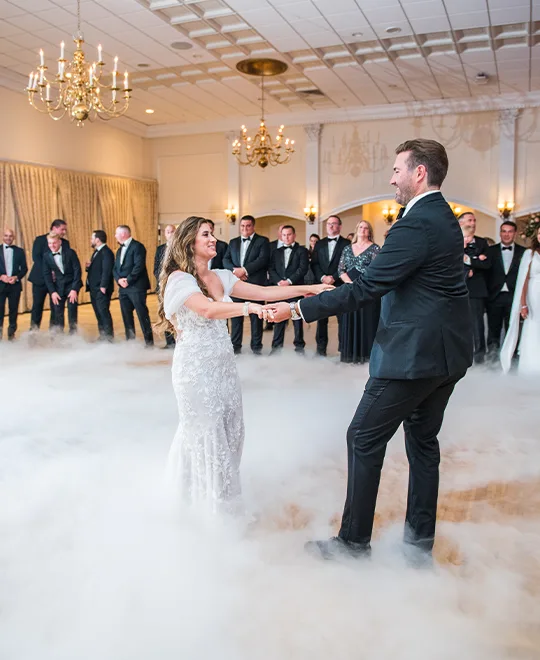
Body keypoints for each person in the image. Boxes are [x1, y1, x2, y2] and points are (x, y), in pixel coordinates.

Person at [266, 139, 473, 564]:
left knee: (362, 437)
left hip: (413, 355)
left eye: (398, 169)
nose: (392, 177)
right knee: (423, 442)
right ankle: (418, 547)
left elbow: (368, 289)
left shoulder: (416, 223)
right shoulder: (443, 217)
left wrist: (299, 309)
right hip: (446, 354)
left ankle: (353, 544)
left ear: (419, 173)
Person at [156, 216, 331, 513]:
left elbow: (264, 291)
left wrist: (309, 288)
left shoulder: (220, 276)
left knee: (231, 431)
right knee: (205, 433)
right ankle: (208, 508)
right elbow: (209, 309)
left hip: (223, 368)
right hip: (195, 371)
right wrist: (252, 310)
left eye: (212, 234)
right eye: (206, 235)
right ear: (189, 242)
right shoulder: (178, 279)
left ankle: (216, 496)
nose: (213, 239)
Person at [223, 215, 270, 355]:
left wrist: (244, 270)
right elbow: (226, 259)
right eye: (242, 226)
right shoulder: (233, 242)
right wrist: (235, 271)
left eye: (248, 226)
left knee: (257, 318)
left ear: (253, 226)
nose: (245, 228)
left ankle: (256, 347)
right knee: (236, 317)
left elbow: (262, 260)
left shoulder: (262, 241)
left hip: (255, 285)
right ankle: (235, 347)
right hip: (236, 286)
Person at [338, 221, 381, 364]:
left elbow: (376, 270)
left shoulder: (375, 248)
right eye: (360, 227)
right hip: (350, 289)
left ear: (369, 231)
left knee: (367, 322)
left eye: (366, 228)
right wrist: (350, 284)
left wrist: (361, 285)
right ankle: (350, 355)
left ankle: (367, 356)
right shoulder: (347, 249)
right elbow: (341, 270)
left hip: (366, 290)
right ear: (356, 230)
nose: (363, 229)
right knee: (349, 320)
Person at [501, 224, 540, 374]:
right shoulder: (530, 253)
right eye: (539, 234)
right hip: (534, 294)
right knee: (533, 325)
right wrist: (523, 304)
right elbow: (523, 280)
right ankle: (532, 365)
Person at [310, 216, 350, 356]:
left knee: (342, 320)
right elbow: (314, 263)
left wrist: (333, 277)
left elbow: (347, 265)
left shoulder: (347, 243)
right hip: (322, 285)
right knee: (321, 320)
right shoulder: (319, 244)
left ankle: (344, 349)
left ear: (340, 226)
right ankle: (321, 350)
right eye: (329, 224)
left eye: (334, 224)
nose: (331, 227)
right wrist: (322, 277)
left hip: (339, 285)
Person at [486, 220, 525, 359]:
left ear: (514, 234)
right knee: (493, 331)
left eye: (509, 231)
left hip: (514, 297)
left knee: (513, 330)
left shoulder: (524, 252)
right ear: (500, 233)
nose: (506, 234)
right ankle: (492, 360)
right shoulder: (490, 251)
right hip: (494, 297)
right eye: (504, 231)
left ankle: (511, 359)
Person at [267, 225, 309, 354]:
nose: (286, 237)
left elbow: (303, 269)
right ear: (281, 236)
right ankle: (276, 347)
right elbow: (271, 269)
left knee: (296, 318)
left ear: (294, 235)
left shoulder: (302, 250)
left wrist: (289, 281)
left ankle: (299, 347)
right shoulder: (276, 252)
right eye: (284, 235)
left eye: (289, 234)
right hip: (280, 290)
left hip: (295, 288)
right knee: (278, 318)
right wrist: (279, 282)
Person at [458, 212, 491, 364]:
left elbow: (487, 264)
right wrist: (470, 265)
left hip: (476, 290)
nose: (473, 223)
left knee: (477, 325)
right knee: (458, 324)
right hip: (457, 289)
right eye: (469, 220)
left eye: (474, 220)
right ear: (461, 223)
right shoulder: (453, 241)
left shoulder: (482, 242)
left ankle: (479, 357)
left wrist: (471, 261)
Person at [113, 225, 154, 347]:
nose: (115, 236)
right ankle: (130, 342)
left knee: (142, 315)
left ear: (123, 234)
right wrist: (119, 280)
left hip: (136, 287)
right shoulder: (119, 250)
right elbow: (115, 268)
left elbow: (139, 266)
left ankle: (149, 343)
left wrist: (128, 280)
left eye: (116, 233)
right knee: (126, 315)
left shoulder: (138, 247)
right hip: (123, 288)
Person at [28, 219, 69, 330]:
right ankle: (33, 333)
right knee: (37, 306)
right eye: (62, 229)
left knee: (56, 307)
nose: (64, 232)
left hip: (56, 281)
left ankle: (54, 333)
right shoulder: (40, 240)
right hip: (40, 279)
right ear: (54, 228)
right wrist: (49, 271)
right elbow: (36, 258)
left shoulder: (65, 243)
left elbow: (66, 260)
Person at [42, 233, 82, 333]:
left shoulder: (70, 253)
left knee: (72, 312)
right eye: (50, 243)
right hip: (58, 287)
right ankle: (60, 338)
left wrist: (74, 289)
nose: (52, 245)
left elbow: (77, 271)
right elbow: (47, 276)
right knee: (58, 313)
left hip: (71, 285)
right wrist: (52, 292)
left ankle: (73, 336)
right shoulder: (46, 256)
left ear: (60, 242)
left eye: (54, 243)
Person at [86, 230, 115, 341]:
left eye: (92, 238)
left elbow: (107, 270)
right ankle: (103, 334)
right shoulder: (96, 252)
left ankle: (108, 337)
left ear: (97, 240)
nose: (91, 240)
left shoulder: (106, 252)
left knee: (103, 312)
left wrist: (103, 286)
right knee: (98, 312)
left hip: (101, 288)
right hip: (94, 288)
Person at [0, 228, 27, 340]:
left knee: (13, 310)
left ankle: (11, 334)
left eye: (10, 236)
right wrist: (1, 276)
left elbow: (24, 269)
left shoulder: (19, 251)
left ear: (14, 237)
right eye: (6, 235)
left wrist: (16, 277)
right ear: (2, 236)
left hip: (14, 286)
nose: (8, 238)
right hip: (0, 285)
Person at [154, 225, 176, 349]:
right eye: (168, 232)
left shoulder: (180, 248)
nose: (170, 233)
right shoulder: (160, 249)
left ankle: (179, 339)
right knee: (166, 313)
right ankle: (169, 342)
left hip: (176, 285)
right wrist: (162, 281)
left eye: (172, 231)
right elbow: (156, 268)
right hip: (163, 286)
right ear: (165, 234)